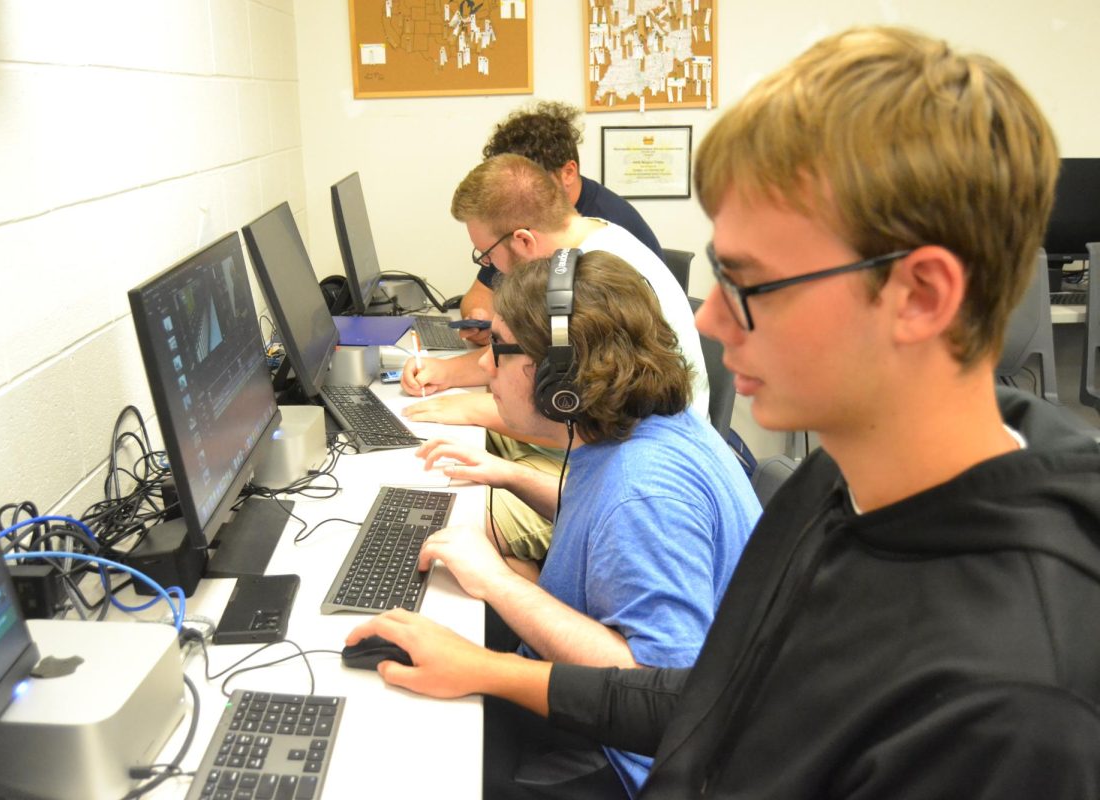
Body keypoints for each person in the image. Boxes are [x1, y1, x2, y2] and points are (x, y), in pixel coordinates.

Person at [350, 25, 1100, 798]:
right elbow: (705, 696)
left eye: (751, 284)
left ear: (919, 296)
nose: (706, 325)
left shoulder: (1017, 712)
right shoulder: (840, 486)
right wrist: (490, 667)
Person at [411, 248, 758, 798]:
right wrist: (512, 476)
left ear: (559, 375)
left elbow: (655, 689)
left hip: (631, 767)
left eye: (498, 350)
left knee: (420, 753)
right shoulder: (648, 430)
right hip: (615, 724)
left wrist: (496, 581)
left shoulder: (643, 490)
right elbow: (604, 516)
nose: (482, 367)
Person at [400, 153, 709, 562]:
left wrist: (477, 410)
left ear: (525, 240)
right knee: (441, 475)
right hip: (604, 444)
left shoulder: (598, 281)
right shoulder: (585, 241)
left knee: (437, 526)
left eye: (487, 256)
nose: (488, 267)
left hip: (627, 458)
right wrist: (449, 374)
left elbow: (588, 413)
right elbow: (533, 361)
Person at [455, 101, 666, 345]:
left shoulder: (598, 258)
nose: (516, 197)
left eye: (528, 180)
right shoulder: (548, 230)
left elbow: (554, 350)